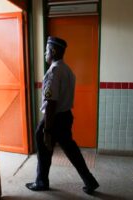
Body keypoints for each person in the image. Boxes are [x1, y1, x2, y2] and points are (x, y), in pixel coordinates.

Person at [25, 36, 99, 195]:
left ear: (53, 51)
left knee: (44, 151)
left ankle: (41, 182)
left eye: (46, 50)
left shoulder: (53, 71)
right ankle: (89, 180)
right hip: (65, 116)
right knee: (72, 151)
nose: (45, 54)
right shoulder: (68, 70)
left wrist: (47, 130)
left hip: (53, 118)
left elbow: (51, 103)